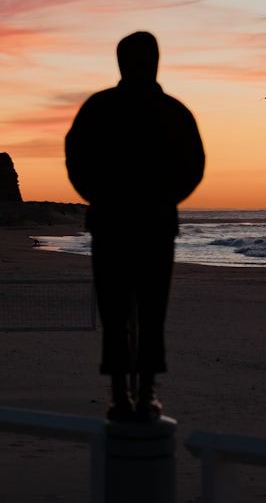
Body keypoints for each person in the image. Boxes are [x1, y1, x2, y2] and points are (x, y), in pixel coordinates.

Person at [65, 31, 205, 421]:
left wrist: (102, 196)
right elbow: (193, 168)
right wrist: (162, 199)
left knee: (120, 311)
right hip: (150, 223)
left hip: (116, 222)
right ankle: (140, 393)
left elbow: (76, 159)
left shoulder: (100, 107)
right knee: (145, 310)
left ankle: (126, 394)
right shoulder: (172, 111)